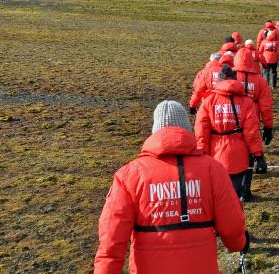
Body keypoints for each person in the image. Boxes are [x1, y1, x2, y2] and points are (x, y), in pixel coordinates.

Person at [94, 100, 249, 274]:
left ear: (155, 131)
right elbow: (232, 223)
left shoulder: (129, 175)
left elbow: (111, 239)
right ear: (186, 129)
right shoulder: (213, 169)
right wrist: (239, 243)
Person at [195, 66, 267, 202]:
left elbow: (201, 132)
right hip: (238, 157)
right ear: (235, 80)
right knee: (235, 195)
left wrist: (201, 156)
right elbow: (251, 132)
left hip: (215, 154)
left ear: (219, 80)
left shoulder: (208, 101)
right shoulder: (247, 102)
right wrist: (259, 155)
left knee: (217, 196)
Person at [234, 51, 274, 146]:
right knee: (252, 141)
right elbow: (266, 107)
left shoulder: (229, 77)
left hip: (233, 116)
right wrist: (268, 126)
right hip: (253, 116)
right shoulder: (261, 81)